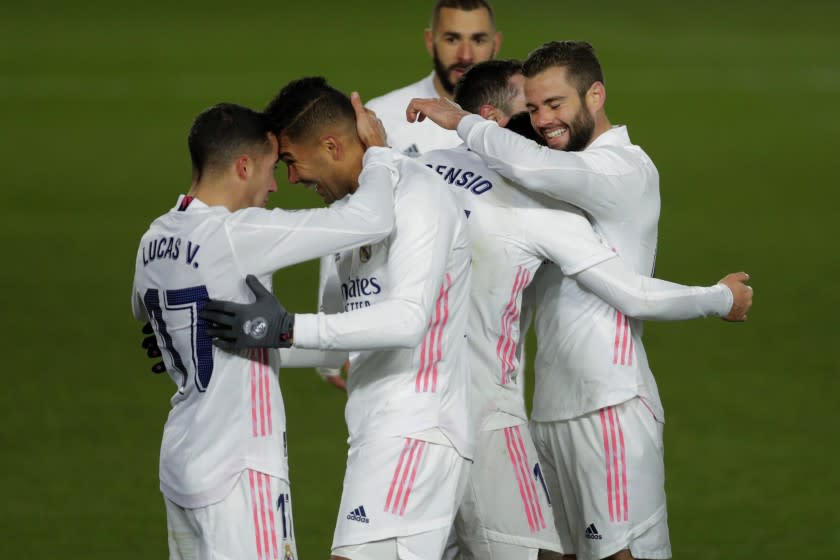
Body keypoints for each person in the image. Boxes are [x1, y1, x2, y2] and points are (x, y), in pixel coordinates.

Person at [405, 41, 755, 560]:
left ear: (595, 96)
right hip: (549, 407)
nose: (544, 120)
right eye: (534, 108)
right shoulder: (549, 174)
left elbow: (535, 171)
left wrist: (717, 298)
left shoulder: (620, 169)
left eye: (556, 105)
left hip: (609, 402)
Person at [202, 76, 474, 560]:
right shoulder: (351, 215)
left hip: (417, 427)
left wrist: (285, 327)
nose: (291, 179)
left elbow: (408, 320)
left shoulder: (417, 193)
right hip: (375, 432)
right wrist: (228, 340)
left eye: (290, 161)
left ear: (330, 145)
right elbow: (335, 344)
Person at [131, 101, 400, 560]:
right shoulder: (238, 234)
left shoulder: (153, 239)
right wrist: (378, 154)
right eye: (272, 168)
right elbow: (369, 220)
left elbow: (148, 321)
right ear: (243, 166)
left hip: (181, 462)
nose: (276, 185)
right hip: (240, 467)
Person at [366, 0, 501, 156]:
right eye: (452, 39)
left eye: (478, 40)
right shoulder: (382, 116)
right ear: (430, 41)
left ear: (495, 44)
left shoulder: (525, 118)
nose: (465, 56)